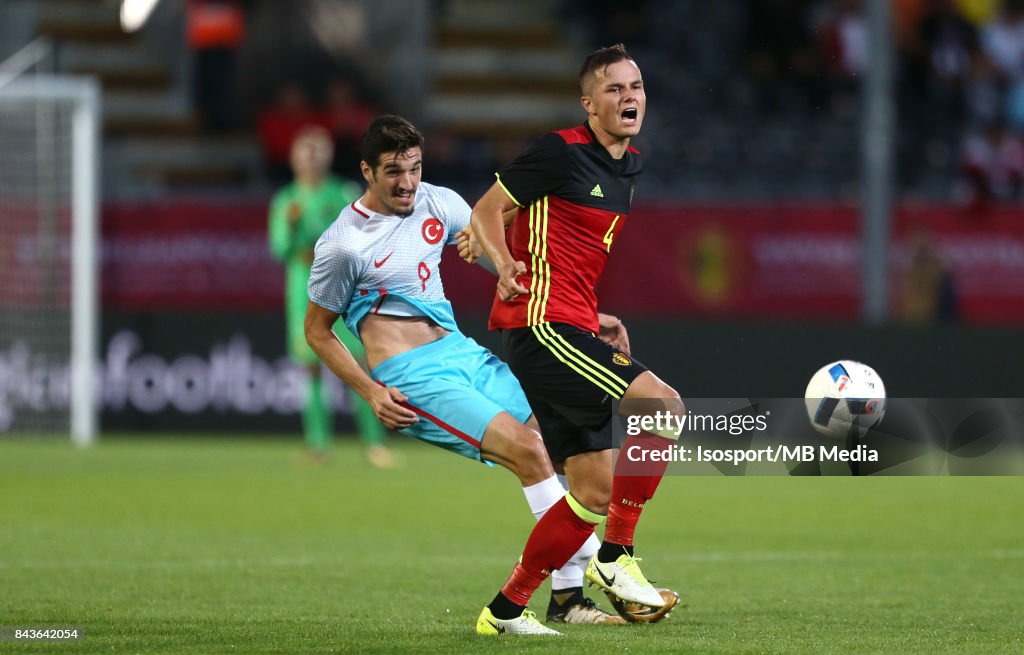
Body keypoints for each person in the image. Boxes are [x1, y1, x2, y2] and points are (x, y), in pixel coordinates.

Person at [304, 115, 666, 635]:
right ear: (366, 170)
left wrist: (580, 317)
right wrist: (369, 391)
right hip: (409, 373)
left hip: (460, 352)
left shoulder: (438, 202)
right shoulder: (343, 244)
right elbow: (317, 330)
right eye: (392, 172)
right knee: (527, 450)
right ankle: (602, 568)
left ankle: (566, 601)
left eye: (414, 167)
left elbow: (498, 257)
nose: (406, 182)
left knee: (556, 439)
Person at [467, 44, 684, 626]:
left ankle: (508, 609)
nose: (629, 97)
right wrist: (499, 257)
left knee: (591, 492)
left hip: (574, 324)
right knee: (664, 406)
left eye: (635, 86)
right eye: (614, 90)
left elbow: (561, 239)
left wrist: (599, 316)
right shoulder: (558, 151)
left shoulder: (628, 166)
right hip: (541, 328)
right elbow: (485, 210)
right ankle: (616, 558)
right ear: (589, 103)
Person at [268, 126, 393, 468]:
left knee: (358, 367)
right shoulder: (285, 201)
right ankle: (318, 444)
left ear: (327, 157)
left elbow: (366, 237)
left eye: (317, 152)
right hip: (301, 292)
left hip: (342, 290)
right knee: (310, 369)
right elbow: (280, 249)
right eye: (304, 152)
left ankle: (374, 443)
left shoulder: (342, 194)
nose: (310, 159)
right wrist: (293, 230)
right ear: (293, 158)